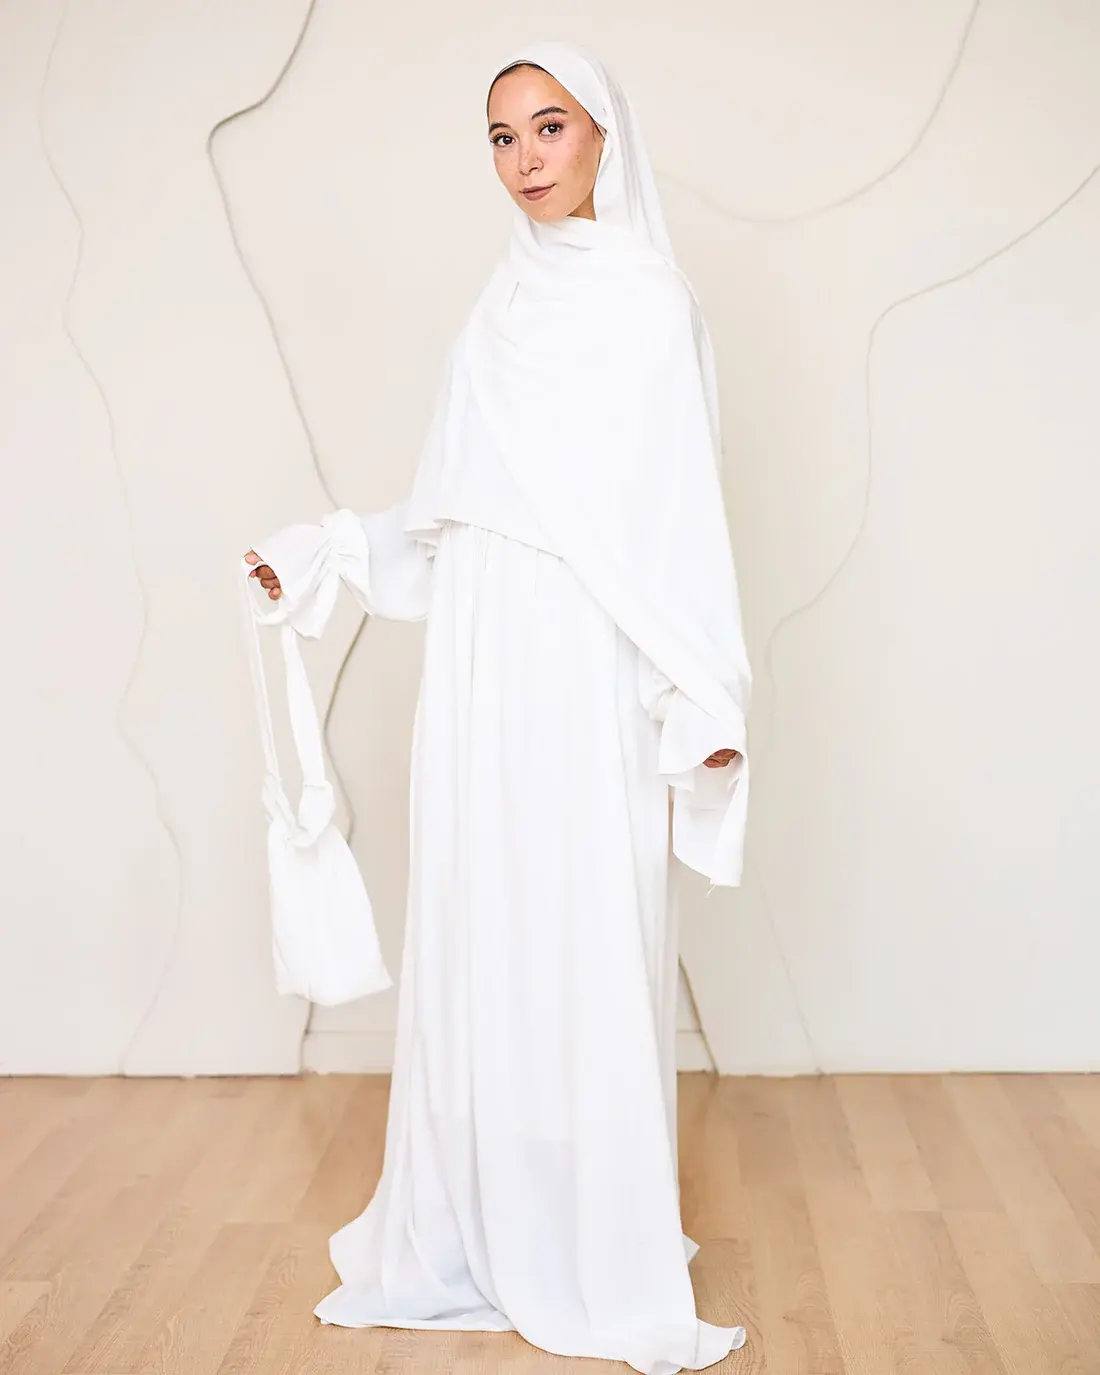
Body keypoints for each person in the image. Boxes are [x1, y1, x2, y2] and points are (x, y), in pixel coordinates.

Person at [243, 39, 751, 1375]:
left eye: (550, 127)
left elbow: (678, 517)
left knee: (581, 924)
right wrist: (331, 552)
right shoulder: (497, 309)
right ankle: (480, 1221)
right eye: (502, 137)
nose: (526, 159)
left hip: (585, 665)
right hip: (480, 663)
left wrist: (699, 689)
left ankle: (589, 1237)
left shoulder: (649, 305)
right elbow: (454, 515)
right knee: (484, 923)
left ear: (604, 136)